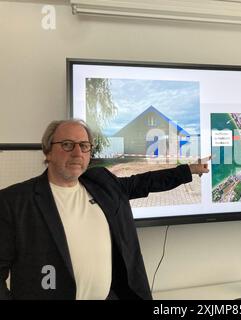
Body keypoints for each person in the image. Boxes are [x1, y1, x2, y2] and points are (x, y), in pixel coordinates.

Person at [0, 119, 209, 300]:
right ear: (48, 151)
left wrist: (188, 170)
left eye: (84, 146)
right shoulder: (14, 202)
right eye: (67, 144)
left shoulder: (102, 185)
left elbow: (145, 182)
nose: (77, 153)